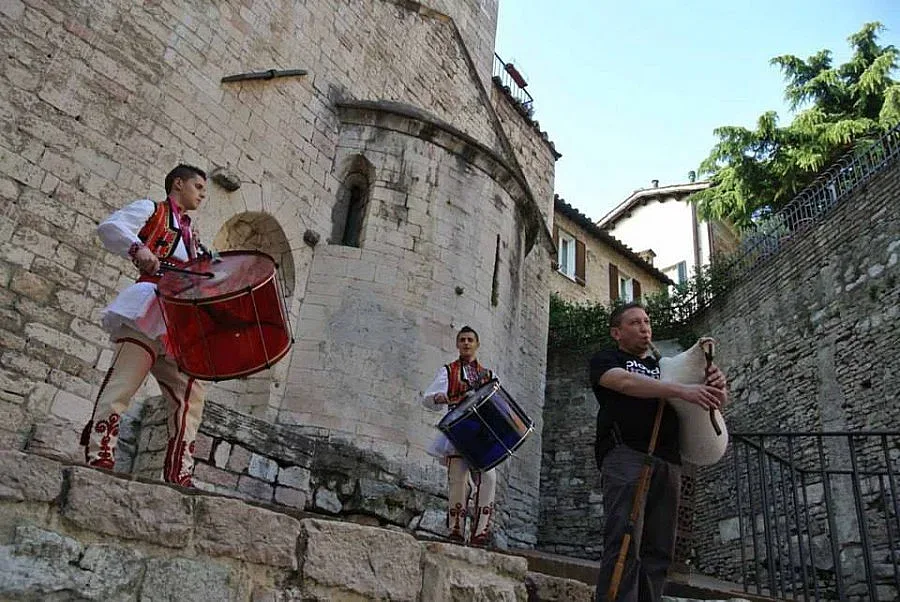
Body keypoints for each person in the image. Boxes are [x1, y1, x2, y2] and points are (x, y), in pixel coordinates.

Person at [80, 164, 209, 487]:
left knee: (191, 393)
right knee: (124, 382)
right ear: (177, 184)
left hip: (179, 319)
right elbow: (111, 227)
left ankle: (180, 471)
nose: (202, 194)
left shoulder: (194, 237)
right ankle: (100, 452)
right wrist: (139, 248)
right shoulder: (152, 210)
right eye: (197, 186)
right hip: (148, 307)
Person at [591, 302, 727, 602]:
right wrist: (680, 390)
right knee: (625, 539)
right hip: (626, 454)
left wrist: (716, 386)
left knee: (659, 548)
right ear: (617, 332)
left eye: (647, 322)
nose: (645, 328)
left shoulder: (665, 368)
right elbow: (624, 383)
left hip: (668, 459)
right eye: (635, 323)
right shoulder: (607, 359)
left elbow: (711, 405)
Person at [422, 326, 498, 546]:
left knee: (489, 478)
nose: (466, 343)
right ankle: (455, 530)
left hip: (481, 433)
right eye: (462, 340)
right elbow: (427, 398)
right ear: (457, 344)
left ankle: (480, 532)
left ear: (477, 344)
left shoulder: (489, 375)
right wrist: (442, 398)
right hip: (458, 431)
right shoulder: (448, 371)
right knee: (459, 480)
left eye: (470, 340)